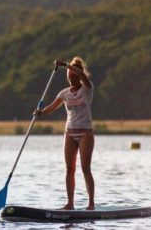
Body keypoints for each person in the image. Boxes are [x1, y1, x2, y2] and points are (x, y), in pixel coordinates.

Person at [35, 56, 95, 210]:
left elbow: (82, 76)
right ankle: (70, 204)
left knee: (85, 168)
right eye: (68, 77)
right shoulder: (64, 93)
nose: (71, 80)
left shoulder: (87, 88)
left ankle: (91, 204)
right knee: (69, 169)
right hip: (70, 133)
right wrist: (40, 113)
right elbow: (51, 107)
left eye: (73, 76)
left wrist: (67, 65)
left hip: (85, 133)